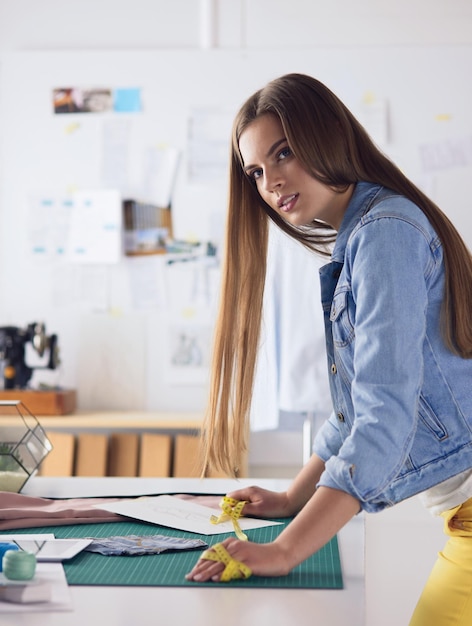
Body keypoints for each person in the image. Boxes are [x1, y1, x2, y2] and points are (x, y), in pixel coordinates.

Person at [185, 73, 472, 625]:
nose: (272, 181)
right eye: (256, 171)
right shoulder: (365, 234)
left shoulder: (384, 233)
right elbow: (359, 404)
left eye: (284, 152)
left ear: (328, 135)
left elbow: (383, 418)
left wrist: (286, 548)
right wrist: (294, 496)